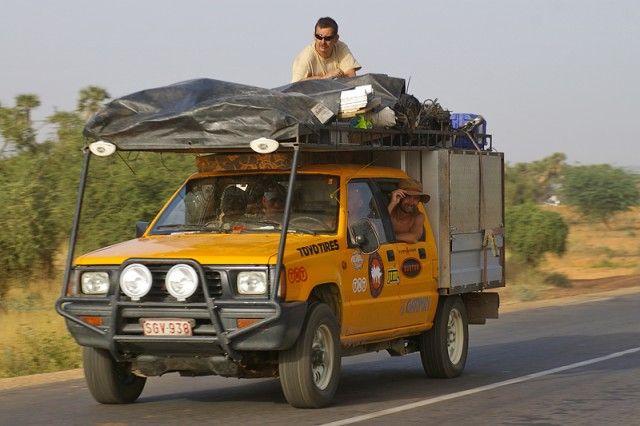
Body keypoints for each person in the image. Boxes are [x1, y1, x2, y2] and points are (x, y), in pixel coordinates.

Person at [291, 17, 361, 82]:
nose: (322, 42)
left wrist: (339, 77)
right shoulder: (305, 58)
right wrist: (324, 78)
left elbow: (352, 78)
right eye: (319, 37)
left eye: (327, 38)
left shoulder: (340, 47)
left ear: (336, 39)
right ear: (314, 36)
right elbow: (294, 87)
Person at [387, 178, 430, 244]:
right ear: (399, 196)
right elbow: (378, 226)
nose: (411, 202)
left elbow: (413, 238)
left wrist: (387, 237)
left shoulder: (418, 217)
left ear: (419, 201)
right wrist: (392, 203)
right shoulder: (389, 210)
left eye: (416, 198)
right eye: (408, 196)